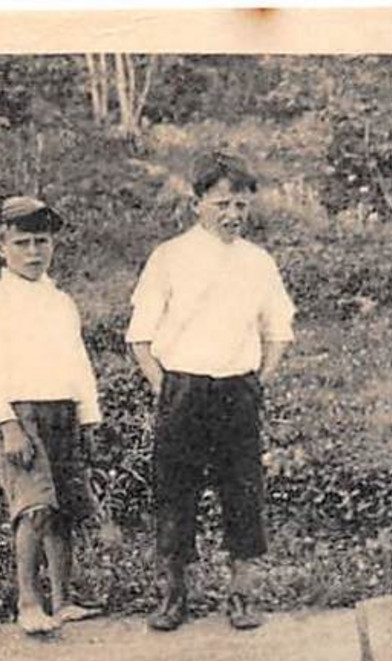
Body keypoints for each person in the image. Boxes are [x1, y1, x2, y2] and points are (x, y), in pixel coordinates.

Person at [127, 152, 295, 631]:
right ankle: (173, 597)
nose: (233, 215)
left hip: (238, 392)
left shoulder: (258, 263)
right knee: (175, 494)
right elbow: (140, 336)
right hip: (182, 389)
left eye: (241, 205)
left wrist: (257, 382)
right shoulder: (170, 257)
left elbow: (279, 329)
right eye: (223, 203)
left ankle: (241, 597)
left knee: (243, 493)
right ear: (197, 203)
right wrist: (166, 388)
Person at [0, 195, 106, 636]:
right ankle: (28, 601)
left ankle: (63, 599)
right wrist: (6, 425)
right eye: (22, 242)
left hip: (61, 410)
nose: (32, 253)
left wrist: (89, 417)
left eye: (41, 241)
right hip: (19, 417)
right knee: (35, 507)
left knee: (62, 507)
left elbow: (77, 361)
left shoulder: (61, 301)